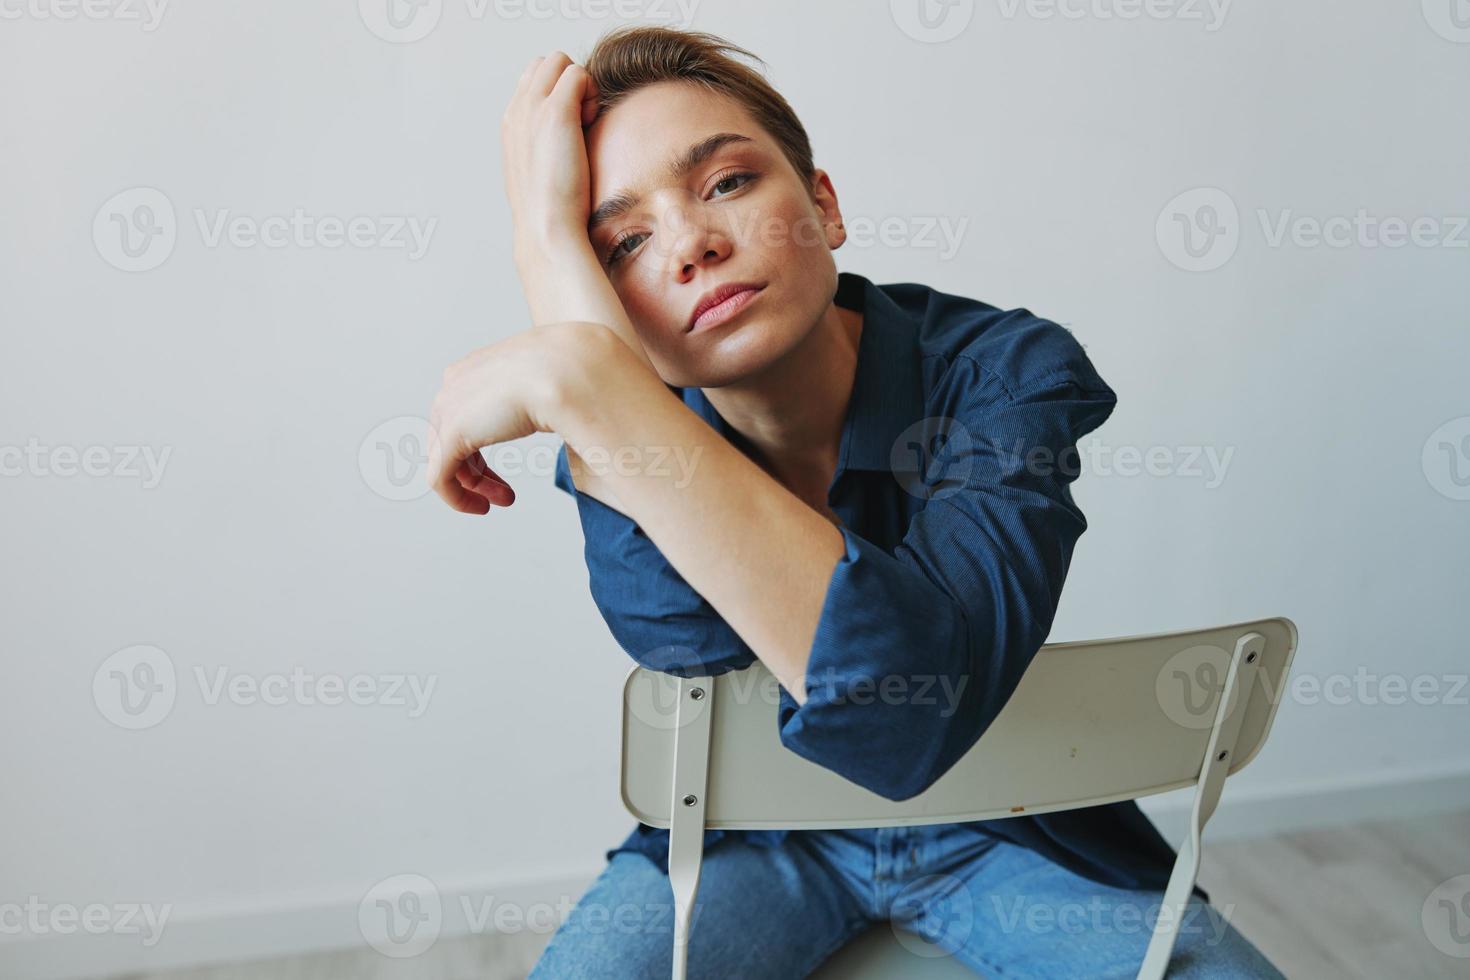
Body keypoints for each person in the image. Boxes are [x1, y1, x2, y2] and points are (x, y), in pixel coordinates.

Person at [424, 24, 1285, 979]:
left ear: (823, 205)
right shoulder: (624, 436)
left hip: (1012, 826)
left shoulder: (1008, 375)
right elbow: (689, 649)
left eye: (727, 183)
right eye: (622, 244)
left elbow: (907, 722)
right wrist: (552, 271)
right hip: (761, 838)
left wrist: (587, 379)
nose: (694, 245)